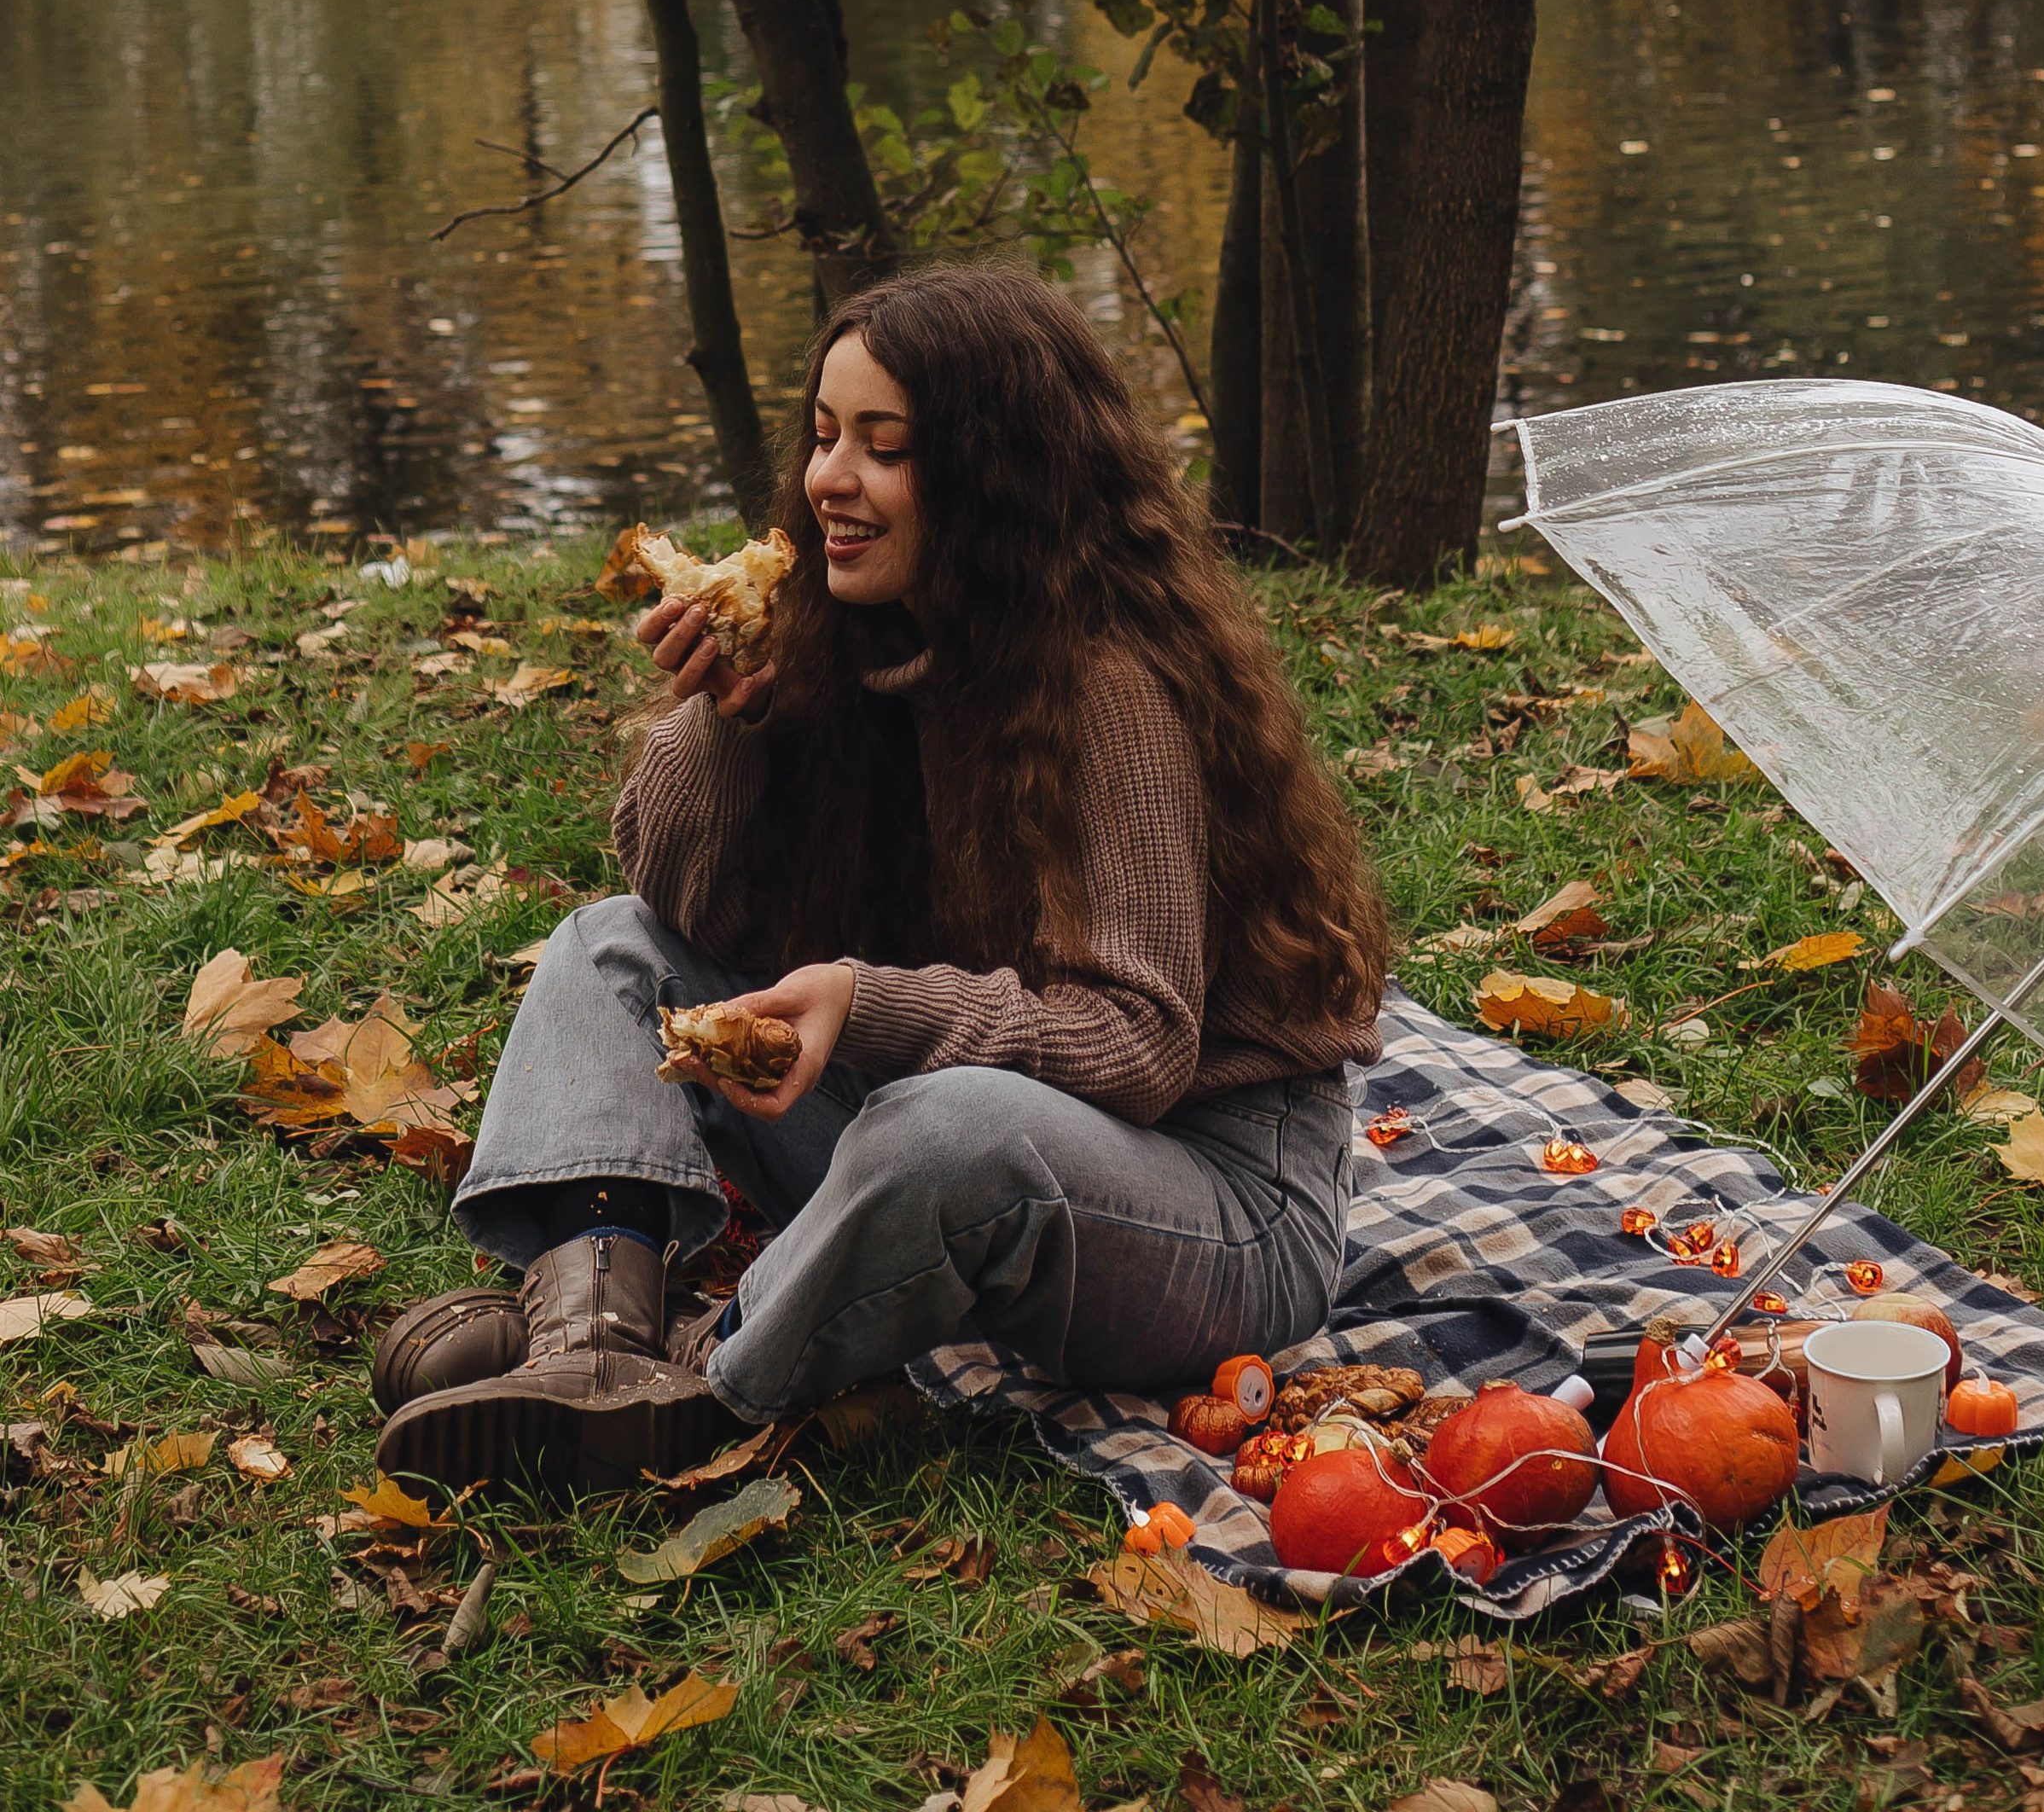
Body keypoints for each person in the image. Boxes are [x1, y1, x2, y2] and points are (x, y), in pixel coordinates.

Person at [373, 263, 1387, 1494]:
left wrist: (867, 1004)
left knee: (944, 1127)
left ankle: (708, 1381)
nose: (828, 481)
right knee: (611, 947)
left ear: (994, 476)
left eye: (884, 447)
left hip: (1211, 1203)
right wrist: (730, 721)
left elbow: (1138, 1049)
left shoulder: (1110, 687)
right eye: (823, 436)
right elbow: (689, 906)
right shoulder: (859, 638)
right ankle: (590, 1336)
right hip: (972, 1143)